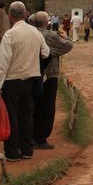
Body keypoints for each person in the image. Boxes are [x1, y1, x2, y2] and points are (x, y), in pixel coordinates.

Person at [0, 2, 49, 162]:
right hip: (32, 79)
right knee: (27, 115)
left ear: (10, 16)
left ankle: (12, 152)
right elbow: (46, 52)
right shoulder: (36, 32)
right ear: (25, 14)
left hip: (13, 80)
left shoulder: (10, 34)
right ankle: (27, 149)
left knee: (11, 116)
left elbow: (2, 61)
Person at [32, 11, 73, 149]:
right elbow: (67, 46)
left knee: (33, 106)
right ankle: (41, 138)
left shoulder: (30, 34)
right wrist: (66, 37)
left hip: (30, 74)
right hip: (49, 74)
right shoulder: (49, 36)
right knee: (47, 107)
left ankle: (30, 136)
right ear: (47, 22)